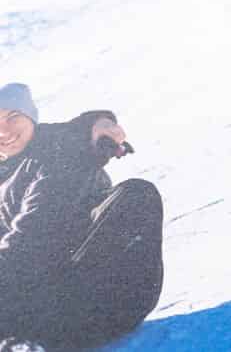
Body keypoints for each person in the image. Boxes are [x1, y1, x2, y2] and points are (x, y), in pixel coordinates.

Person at [0, 83, 164, 348]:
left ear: (30, 117)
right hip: (39, 294)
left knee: (137, 194)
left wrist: (97, 125)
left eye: (13, 117)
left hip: (89, 291)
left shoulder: (57, 152)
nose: (4, 130)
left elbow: (31, 241)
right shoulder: (7, 167)